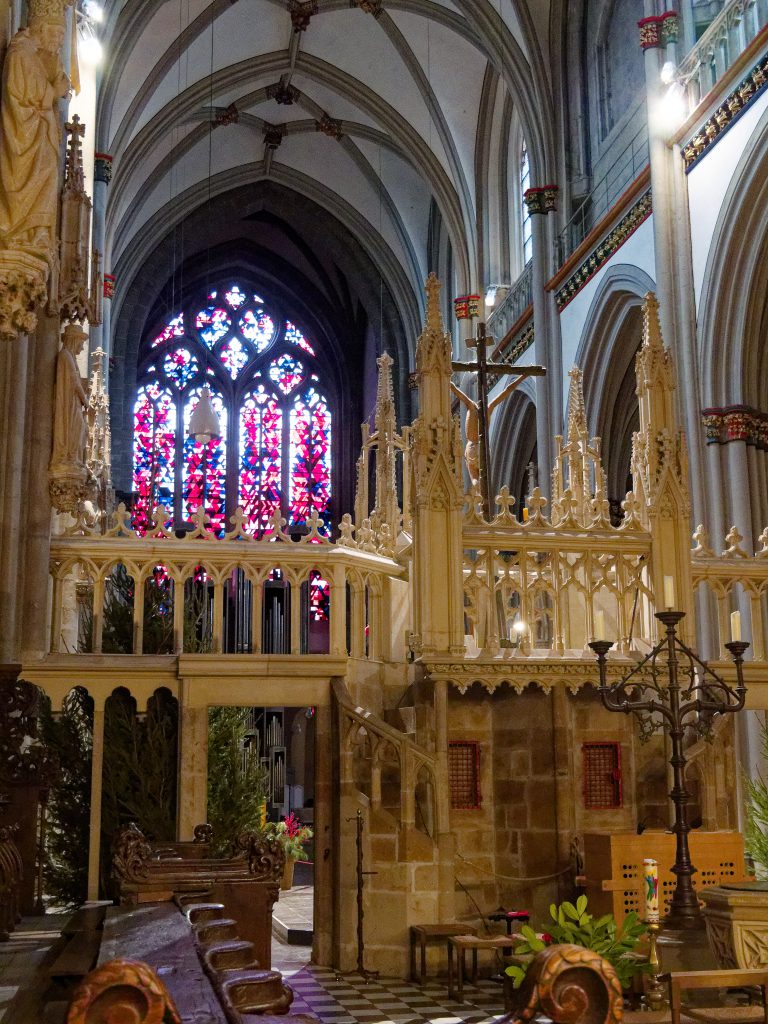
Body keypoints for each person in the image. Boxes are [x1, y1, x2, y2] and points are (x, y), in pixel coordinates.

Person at [0, 0, 70, 261]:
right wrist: (55, 92)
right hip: (25, 137)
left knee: (48, 176)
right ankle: (23, 231)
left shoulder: (37, 57)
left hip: (38, 137)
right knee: (41, 174)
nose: (59, 41)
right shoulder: (21, 54)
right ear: (42, 28)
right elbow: (20, 94)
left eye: (63, 35)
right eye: (57, 33)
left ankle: (37, 233)